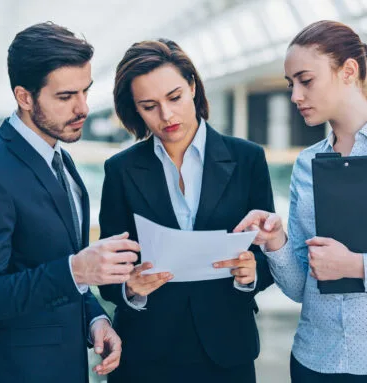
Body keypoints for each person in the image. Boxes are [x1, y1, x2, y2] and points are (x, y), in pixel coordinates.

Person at [235, 20, 367, 382]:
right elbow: (299, 288)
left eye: (306, 81)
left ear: (349, 71)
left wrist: (358, 265)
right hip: (315, 363)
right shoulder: (307, 164)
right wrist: (276, 243)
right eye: (292, 85)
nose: (295, 96)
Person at [0, 22, 140, 383]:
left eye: (85, 91)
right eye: (66, 97)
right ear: (24, 97)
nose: (83, 108)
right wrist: (77, 270)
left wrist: (95, 318)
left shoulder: (61, 161)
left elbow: (62, 267)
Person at [97, 39, 275, 383]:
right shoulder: (120, 170)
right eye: (149, 106)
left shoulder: (247, 159)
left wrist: (251, 273)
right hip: (145, 350)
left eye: (174, 97)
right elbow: (109, 275)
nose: (166, 116)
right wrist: (131, 288)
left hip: (226, 350)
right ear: (135, 110)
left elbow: (267, 257)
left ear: (193, 86)